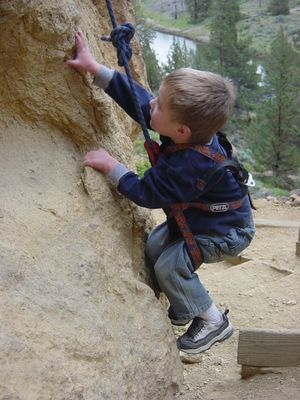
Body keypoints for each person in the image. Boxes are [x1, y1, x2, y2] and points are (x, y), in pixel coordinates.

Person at [67, 31, 255, 354]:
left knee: (169, 265)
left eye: (160, 105)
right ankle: (182, 307)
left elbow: (146, 192)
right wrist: (95, 69)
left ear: (181, 131)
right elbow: (141, 103)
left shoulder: (187, 164)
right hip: (205, 219)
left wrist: (111, 164)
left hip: (228, 231)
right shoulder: (185, 132)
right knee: (155, 243)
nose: (152, 102)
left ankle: (211, 320)